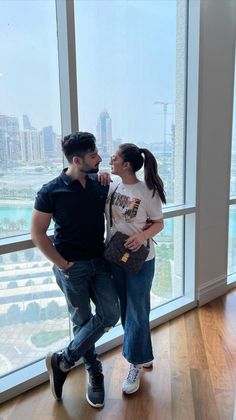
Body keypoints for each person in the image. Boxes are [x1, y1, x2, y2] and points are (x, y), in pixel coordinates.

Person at [31, 132, 119, 408]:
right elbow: (38, 233)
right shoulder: (50, 191)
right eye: (94, 155)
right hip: (72, 268)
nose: (100, 158)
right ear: (77, 159)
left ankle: (63, 360)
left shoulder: (99, 182)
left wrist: (105, 175)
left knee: (110, 314)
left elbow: (124, 190)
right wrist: (61, 263)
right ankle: (94, 371)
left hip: (100, 262)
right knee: (82, 321)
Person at [105, 143, 166, 395]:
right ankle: (142, 355)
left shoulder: (146, 191)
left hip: (140, 260)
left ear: (127, 164)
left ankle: (135, 363)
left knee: (137, 311)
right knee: (127, 308)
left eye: (115, 158)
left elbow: (159, 223)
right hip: (115, 257)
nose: (111, 160)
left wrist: (142, 237)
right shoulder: (112, 186)